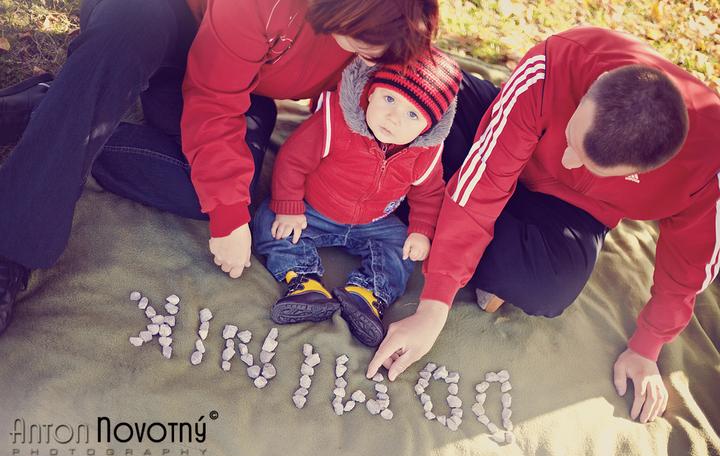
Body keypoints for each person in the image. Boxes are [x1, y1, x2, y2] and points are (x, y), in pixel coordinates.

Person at [0, 0, 440, 332]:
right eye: (370, 41)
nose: (378, 54)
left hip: (239, 80)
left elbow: (389, 100)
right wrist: (227, 215)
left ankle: (55, 112)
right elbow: (213, 100)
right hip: (159, 19)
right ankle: (11, 251)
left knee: (214, 190)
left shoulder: (391, 31)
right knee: (130, 29)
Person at [367, 26, 720, 425]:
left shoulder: (709, 170)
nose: (568, 160)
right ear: (594, 86)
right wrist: (434, 308)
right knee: (406, 99)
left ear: (643, 171)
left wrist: (646, 348)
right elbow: (481, 188)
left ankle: (427, 204)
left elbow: (688, 271)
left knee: (548, 288)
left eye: (587, 163)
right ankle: (425, 202)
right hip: (508, 143)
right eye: (571, 138)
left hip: (574, 211)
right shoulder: (555, 65)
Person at [253, 48, 462, 347]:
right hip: (315, 209)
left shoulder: (424, 153)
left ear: (428, 127)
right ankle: (304, 282)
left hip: (374, 222)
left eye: (412, 114)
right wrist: (289, 207)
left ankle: (367, 295)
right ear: (371, 91)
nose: (393, 117)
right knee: (269, 219)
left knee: (401, 247)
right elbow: (292, 160)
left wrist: (421, 230)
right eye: (389, 99)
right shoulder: (336, 123)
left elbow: (428, 193)